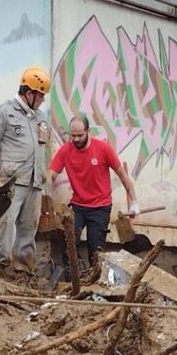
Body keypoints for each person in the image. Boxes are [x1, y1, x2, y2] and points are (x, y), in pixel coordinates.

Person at [0, 66, 50, 281]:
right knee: (6, 224)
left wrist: (43, 173)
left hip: (34, 182)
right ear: (28, 93)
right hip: (11, 182)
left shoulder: (40, 118)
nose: (42, 100)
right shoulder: (3, 112)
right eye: (40, 95)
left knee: (29, 227)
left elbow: (42, 146)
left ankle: (23, 271)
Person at [48, 114, 137, 265]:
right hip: (78, 206)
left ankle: (94, 280)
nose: (75, 139)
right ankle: (72, 280)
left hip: (100, 207)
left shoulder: (103, 149)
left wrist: (134, 201)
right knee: (69, 243)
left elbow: (123, 176)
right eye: (73, 135)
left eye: (80, 135)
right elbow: (51, 175)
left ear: (88, 131)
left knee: (95, 250)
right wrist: (45, 189)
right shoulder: (65, 151)